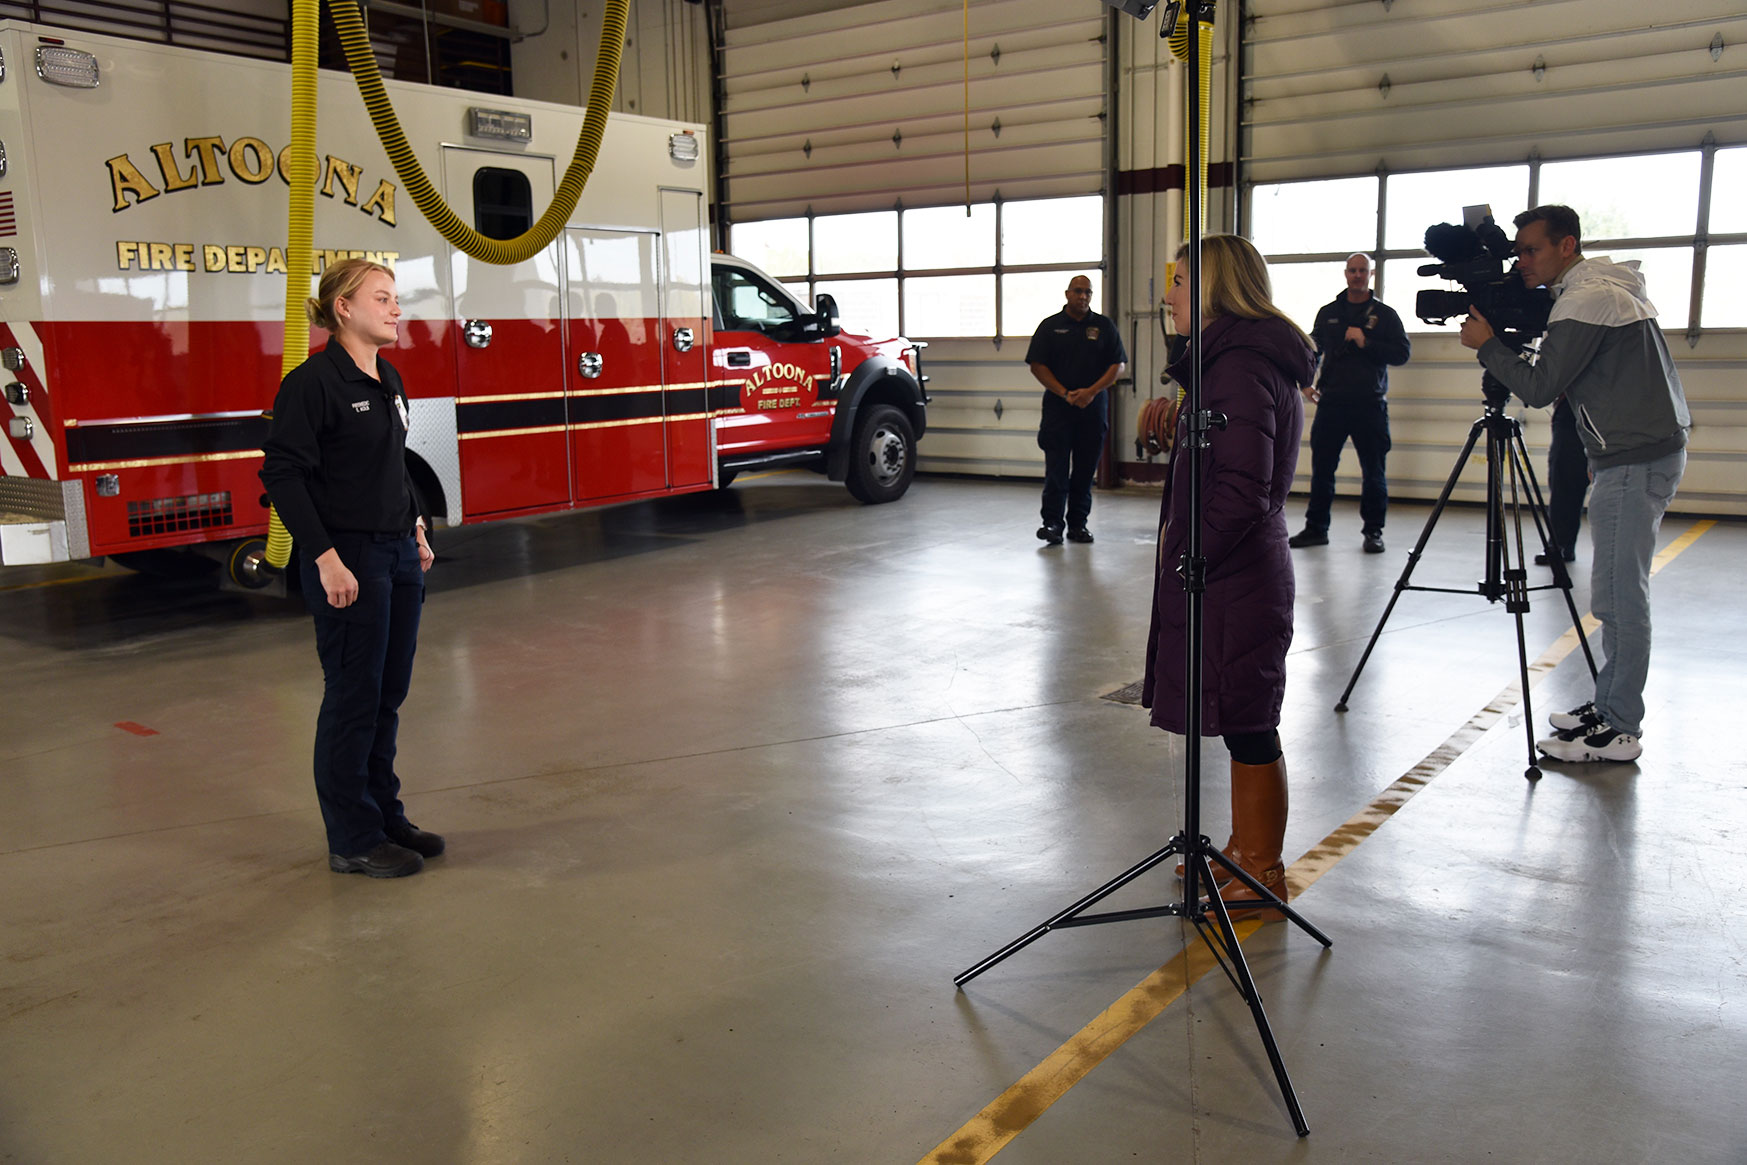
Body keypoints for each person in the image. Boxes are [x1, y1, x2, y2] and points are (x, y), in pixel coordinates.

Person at [1459, 205, 1690, 763]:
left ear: (1567, 246)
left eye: (1532, 249)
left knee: (1619, 600)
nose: (1522, 261)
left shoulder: (1586, 299)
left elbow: (1538, 388)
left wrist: (1488, 344)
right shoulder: (1606, 288)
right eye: (1518, 250)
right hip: (1637, 454)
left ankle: (1620, 727)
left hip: (1634, 462)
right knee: (1616, 594)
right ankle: (1609, 704)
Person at [1144, 236, 1314, 918]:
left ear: (1212, 287)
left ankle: (1257, 867)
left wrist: (1194, 556)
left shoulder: (1238, 367)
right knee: (1239, 708)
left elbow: (1243, 486)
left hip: (1233, 570)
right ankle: (1242, 851)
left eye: (1179, 280)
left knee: (1247, 717)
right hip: (1231, 565)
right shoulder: (1227, 366)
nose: (1167, 294)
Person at [261, 258, 445, 877]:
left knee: (387, 695)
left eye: (396, 300)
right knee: (353, 698)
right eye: (384, 299)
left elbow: (395, 463)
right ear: (343, 307)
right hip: (349, 559)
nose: (397, 310)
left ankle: (385, 817)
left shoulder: (388, 377)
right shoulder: (312, 384)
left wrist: (416, 524)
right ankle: (353, 839)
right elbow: (283, 476)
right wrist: (326, 559)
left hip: (397, 554)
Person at [1288, 253, 1411, 554]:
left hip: (1370, 405)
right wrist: (1304, 382)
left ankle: (1373, 532)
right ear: (1345, 274)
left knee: (1374, 472)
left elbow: (1402, 354)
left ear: (1370, 275)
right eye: (1352, 270)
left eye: (1362, 271)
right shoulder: (1329, 312)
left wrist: (1365, 342)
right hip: (1332, 403)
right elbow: (1312, 351)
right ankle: (1316, 529)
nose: (1357, 275)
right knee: (1323, 470)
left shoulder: (1386, 315)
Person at [1025, 275, 1127, 545]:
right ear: (1067, 293)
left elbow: (1118, 365)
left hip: (1093, 408)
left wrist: (1090, 392)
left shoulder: (1104, 326)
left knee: (1084, 470)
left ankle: (1078, 525)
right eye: (1078, 291)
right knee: (1056, 470)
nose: (1083, 296)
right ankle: (1052, 524)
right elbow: (1037, 365)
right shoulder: (1050, 327)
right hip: (1059, 408)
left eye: (1088, 292)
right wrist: (1065, 393)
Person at [1538, 395, 1586, 564]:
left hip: (1575, 407)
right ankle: (1562, 545)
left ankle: (1560, 546)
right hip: (1577, 408)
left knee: (1565, 480)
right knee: (1567, 480)